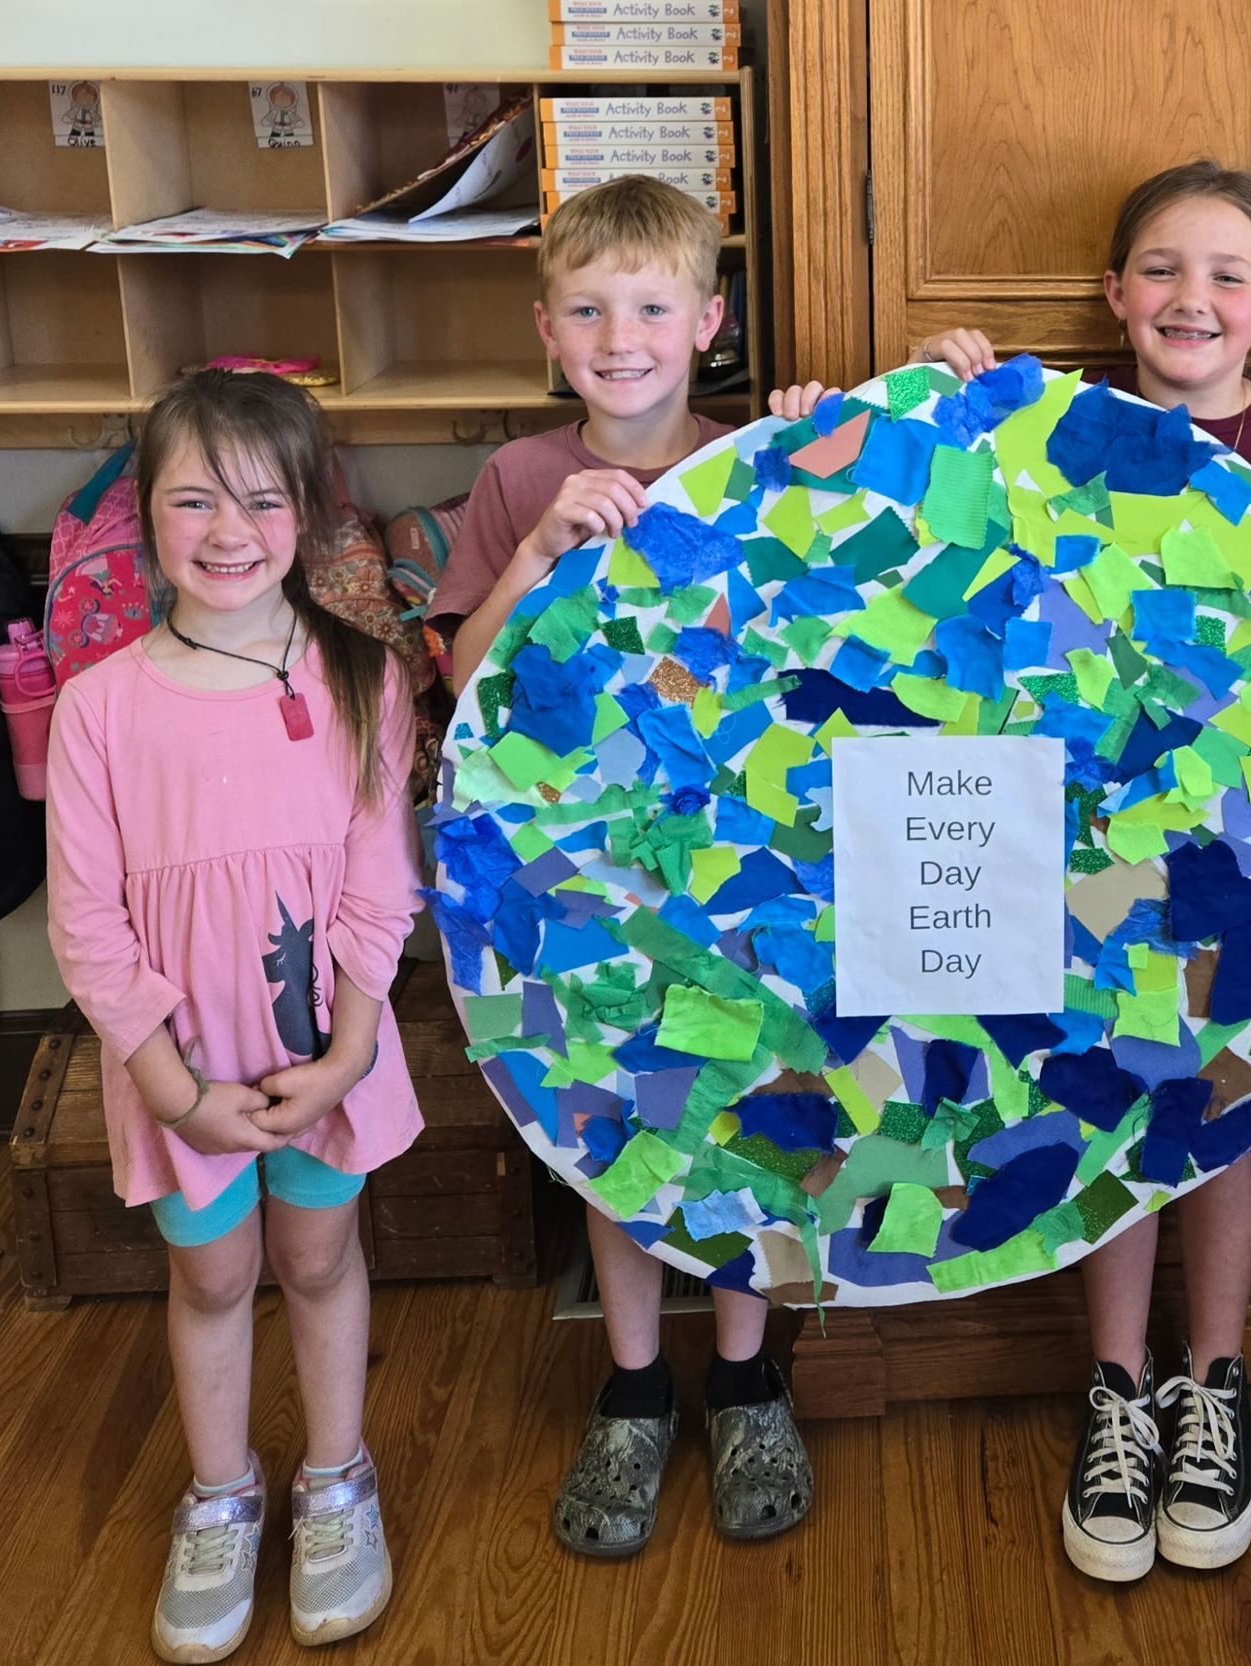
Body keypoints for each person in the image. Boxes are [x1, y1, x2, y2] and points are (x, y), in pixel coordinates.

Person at [920, 162, 1251, 1582]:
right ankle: (1116, 1391)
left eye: (1229, 275)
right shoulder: (1052, 421)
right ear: (1115, 294)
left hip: (1242, 825)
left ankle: (1213, 1385)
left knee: (1226, 1097)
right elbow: (942, 556)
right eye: (1162, 269)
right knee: (1099, 1089)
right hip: (1070, 825)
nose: (1193, 297)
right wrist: (936, 397)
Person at [439, 174, 826, 1559]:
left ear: (708, 321)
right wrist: (539, 551)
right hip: (582, 870)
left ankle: (744, 1377)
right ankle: (634, 1382)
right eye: (591, 311)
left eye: (653, 309)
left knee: (743, 1106)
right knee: (607, 1113)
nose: (622, 338)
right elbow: (466, 679)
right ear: (548, 328)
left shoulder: (753, 459)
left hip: (742, 867)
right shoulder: (517, 479)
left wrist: (816, 450)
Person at [45, 370, 424, 1663]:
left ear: (307, 512)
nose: (228, 531)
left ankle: (336, 1476)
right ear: (141, 513)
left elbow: (381, 879)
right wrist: (171, 1087)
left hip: (325, 1053)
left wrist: (352, 1050)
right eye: (193, 499)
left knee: (318, 1257)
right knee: (210, 1274)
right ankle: (219, 1495)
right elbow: (86, 922)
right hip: (181, 1067)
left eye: (262, 500)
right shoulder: (98, 708)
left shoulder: (362, 678)